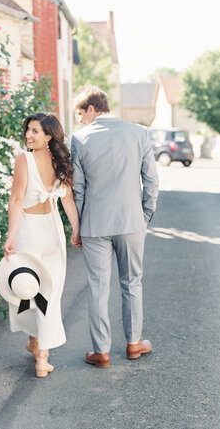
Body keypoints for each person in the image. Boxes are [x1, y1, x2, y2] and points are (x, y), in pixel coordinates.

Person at [70, 86, 159, 368]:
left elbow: (78, 189)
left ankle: (102, 352)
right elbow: (152, 182)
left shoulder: (80, 139)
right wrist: (144, 214)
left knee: (97, 288)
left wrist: (81, 224)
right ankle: (134, 344)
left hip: (95, 224)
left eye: (80, 115)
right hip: (131, 221)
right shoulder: (139, 133)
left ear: (92, 109)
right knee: (132, 283)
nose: (80, 121)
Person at [1, 112, 81, 378]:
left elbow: (15, 200)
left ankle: (36, 344)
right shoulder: (61, 161)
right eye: (28, 130)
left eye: (35, 131)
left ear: (49, 136)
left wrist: (11, 235)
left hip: (29, 230)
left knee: (27, 288)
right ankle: (41, 355)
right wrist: (76, 230)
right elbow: (67, 200)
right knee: (49, 293)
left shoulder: (24, 160)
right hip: (53, 229)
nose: (28, 135)